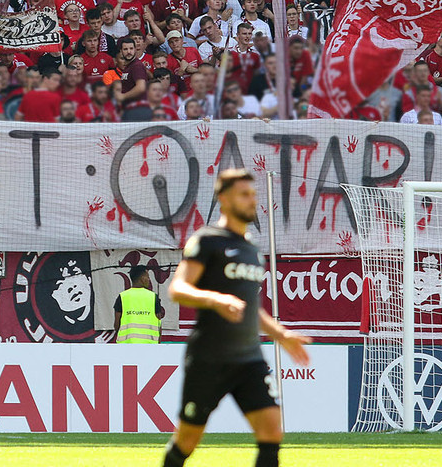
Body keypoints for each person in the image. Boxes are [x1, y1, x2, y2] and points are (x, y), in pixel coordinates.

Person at [163, 168, 311, 467]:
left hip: (248, 359)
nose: (251, 200)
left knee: (272, 431)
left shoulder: (252, 250)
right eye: (244, 194)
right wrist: (215, 298)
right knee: (187, 440)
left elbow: (250, 307)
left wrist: (280, 334)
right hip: (209, 358)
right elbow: (177, 288)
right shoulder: (207, 240)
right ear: (224, 199)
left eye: (253, 194)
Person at [114, 263, 164, 343]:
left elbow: (117, 325)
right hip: (150, 347)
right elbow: (159, 324)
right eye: (148, 277)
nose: (149, 280)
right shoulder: (153, 297)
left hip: (126, 347)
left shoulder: (122, 297)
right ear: (143, 278)